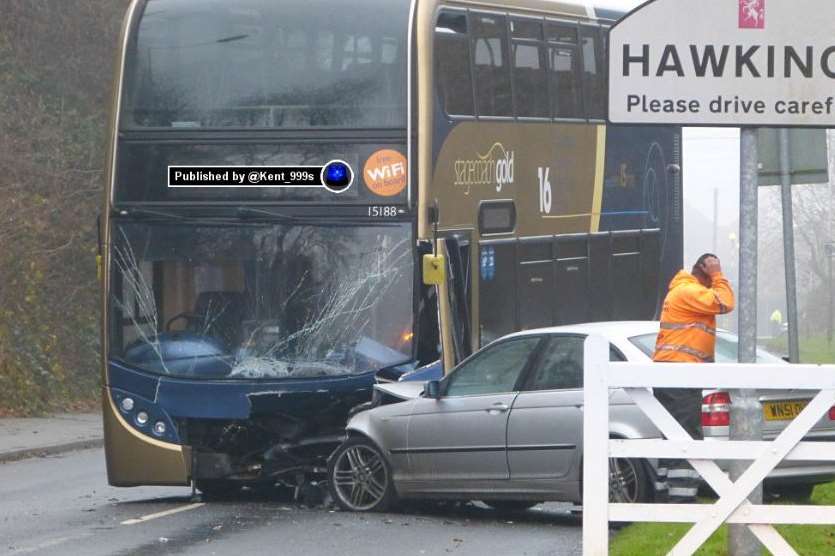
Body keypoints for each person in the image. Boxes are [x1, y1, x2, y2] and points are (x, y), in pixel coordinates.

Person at [653, 253, 735, 503]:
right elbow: (726, 303)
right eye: (711, 275)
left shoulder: (684, 292)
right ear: (704, 271)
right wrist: (718, 274)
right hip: (679, 374)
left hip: (676, 374)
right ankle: (681, 502)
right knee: (687, 438)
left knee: (674, 437)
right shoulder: (689, 291)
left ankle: (664, 497)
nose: (715, 281)